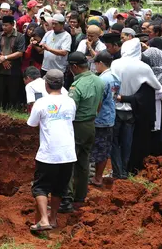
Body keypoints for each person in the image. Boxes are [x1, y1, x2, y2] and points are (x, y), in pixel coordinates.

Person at [27, 69, 77, 231]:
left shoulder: (41, 103)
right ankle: (53, 219)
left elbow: (32, 124)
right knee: (59, 188)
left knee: (40, 187)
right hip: (68, 153)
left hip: (48, 153)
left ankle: (43, 219)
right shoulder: (70, 101)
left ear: (46, 85)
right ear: (62, 84)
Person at [59, 52, 104, 212]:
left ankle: (67, 200)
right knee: (84, 162)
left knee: (70, 162)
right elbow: (99, 104)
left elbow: (71, 109)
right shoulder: (99, 80)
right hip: (91, 124)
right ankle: (80, 197)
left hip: (77, 125)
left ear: (75, 67)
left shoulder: (77, 86)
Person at [110, 38, 162, 178]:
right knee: (127, 142)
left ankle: (116, 170)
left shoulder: (115, 63)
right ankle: (125, 171)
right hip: (131, 109)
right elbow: (157, 86)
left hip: (115, 107)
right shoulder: (143, 67)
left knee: (114, 142)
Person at [90, 51, 120, 187]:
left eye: (96, 64)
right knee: (104, 149)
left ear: (100, 63)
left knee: (94, 148)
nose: (95, 67)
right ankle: (98, 177)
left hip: (100, 118)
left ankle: (94, 177)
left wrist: (92, 115)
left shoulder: (102, 80)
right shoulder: (115, 77)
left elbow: (98, 101)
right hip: (110, 116)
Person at [0, 15, 25, 108]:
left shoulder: (20, 36)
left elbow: (20, 52)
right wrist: (1, 59)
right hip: (0, 67)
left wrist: (5, 57)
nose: (4, 27)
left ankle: (12, 110)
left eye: (6, 25)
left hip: (13, 68)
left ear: (12, 25)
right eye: (3, 25)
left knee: (12, 92)